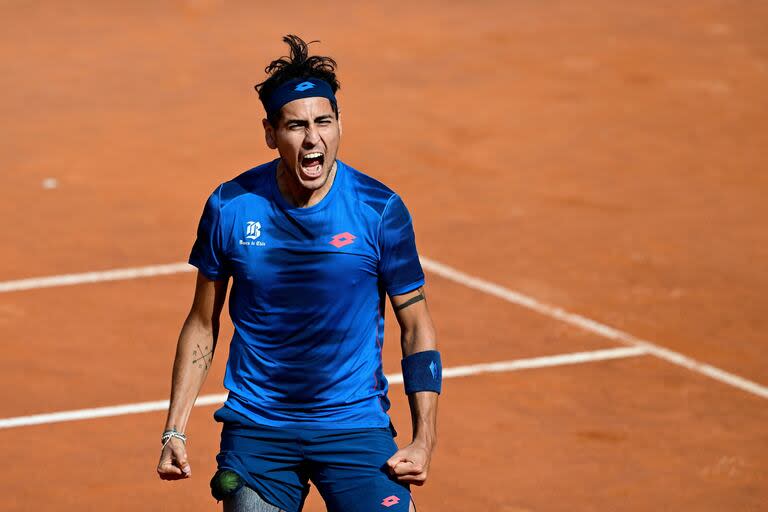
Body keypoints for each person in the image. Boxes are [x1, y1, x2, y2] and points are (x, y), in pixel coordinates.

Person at [156, 34, 441, 512]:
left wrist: (424, 438)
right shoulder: (230, 206)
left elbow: (416, 327)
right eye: (296, 126)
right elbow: (202, 323)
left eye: (323, 122)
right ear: (271, 133)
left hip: (354, 424)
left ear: (339, 123)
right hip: (259, 427)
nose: (313, 139)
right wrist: (174, 428)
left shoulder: (379, 209)